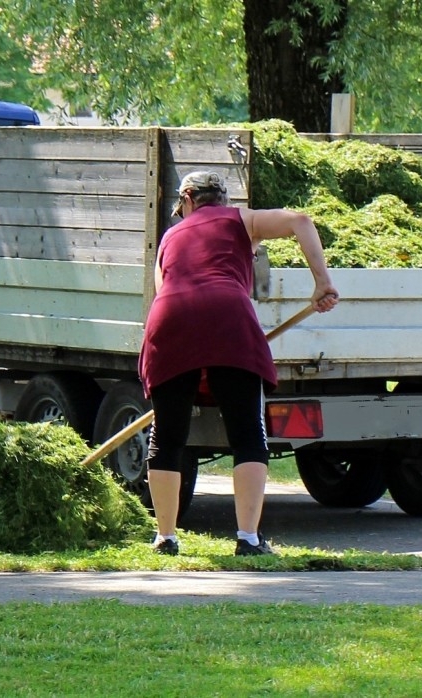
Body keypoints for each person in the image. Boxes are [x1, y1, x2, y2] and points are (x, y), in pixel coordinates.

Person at [138, 171, 339, 556]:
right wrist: (321, 282)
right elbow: (301, 221)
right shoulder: (240, 219)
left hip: (170, 318)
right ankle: (247, 538)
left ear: (189, 201)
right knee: (247, 433)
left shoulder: (168, 237)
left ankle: (166, 538)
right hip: (228, 314)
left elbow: (165, 289)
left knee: (167, 436)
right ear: (222, 199)